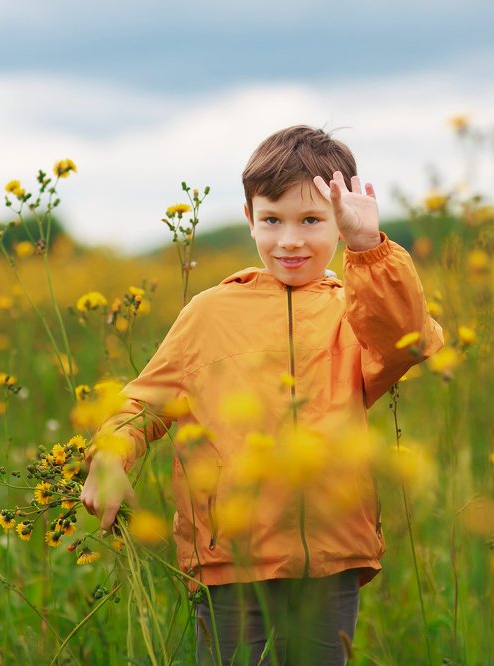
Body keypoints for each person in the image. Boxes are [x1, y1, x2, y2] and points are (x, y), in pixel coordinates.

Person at [80, 125, 443, 664]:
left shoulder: (353, 306)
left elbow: (408, 344)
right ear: (250, 218)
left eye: (312, 221)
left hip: (332, 554)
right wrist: (110, 454)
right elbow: (145, 403)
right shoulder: (209, 313)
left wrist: (369, 249)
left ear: (340, 224)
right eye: (272, 220)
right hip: (230, 558)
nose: (290, 240)